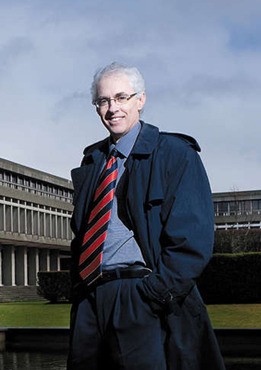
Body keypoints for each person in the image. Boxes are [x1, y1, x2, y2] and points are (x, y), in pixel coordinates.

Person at [67, 62, 224, 370]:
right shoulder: (92, 162)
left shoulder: (175, 153)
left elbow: (193, 239)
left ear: (140, 100)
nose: (113, 108)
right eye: (104, 101)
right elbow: (82, 233)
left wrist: (153, 295)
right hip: (91, 298)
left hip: (138, 295)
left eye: (122, 97)